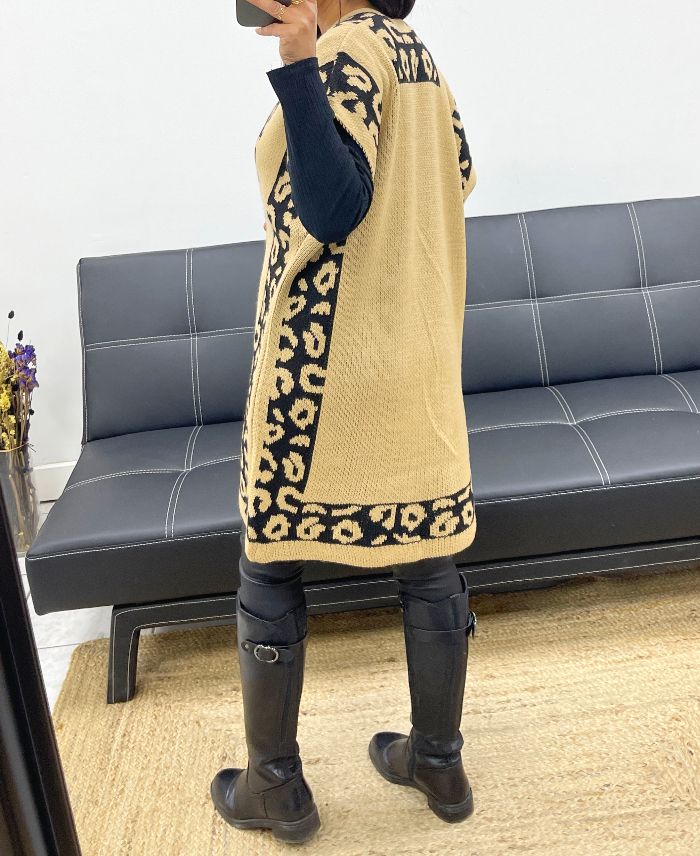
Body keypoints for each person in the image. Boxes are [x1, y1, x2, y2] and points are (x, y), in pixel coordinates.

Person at [211, 0, 478, 843]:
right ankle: (437, 759)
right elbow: (459, 175)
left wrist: (298, 67)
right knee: (428, 565)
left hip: (323, 374)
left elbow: (331, 209)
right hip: (417, 358)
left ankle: (275, 784)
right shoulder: (418, 58)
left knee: (270, 565)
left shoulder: (346, 54)